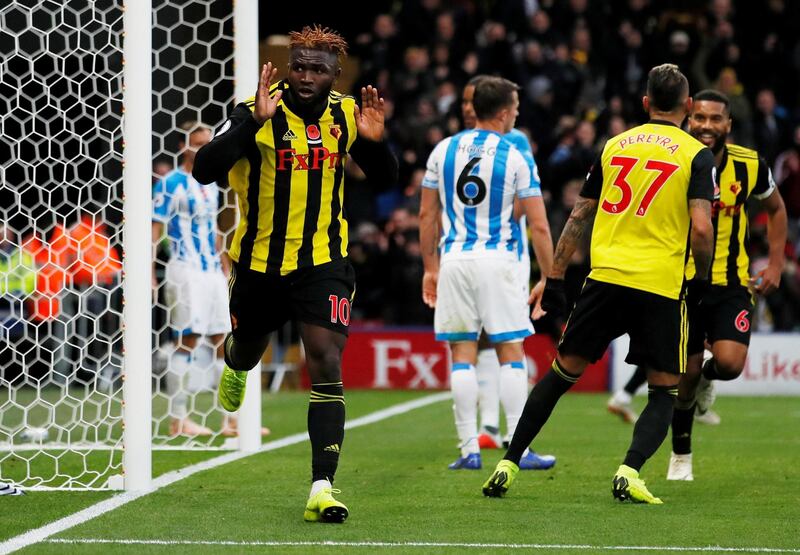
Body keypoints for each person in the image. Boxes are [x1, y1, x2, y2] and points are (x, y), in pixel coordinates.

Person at [482, 64, 715, 504]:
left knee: (560, 373)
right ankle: (629, 471)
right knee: (665, 389)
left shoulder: (615, 145)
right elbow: (701, 230)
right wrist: (700, 281)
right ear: (687, 107)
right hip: (659, 285)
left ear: (645, 104)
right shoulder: (696, 155)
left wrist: (554, 277)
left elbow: (578, 214)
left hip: (604, 279)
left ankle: (509, 461)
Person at [192, 25, 398, 523]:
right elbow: (204, 169)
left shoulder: (348, 114)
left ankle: (322, 485)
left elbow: (388, 181)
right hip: (259, 263)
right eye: (299, 66)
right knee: (247, 348)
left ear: (335, 75)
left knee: (326, 361)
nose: (306, 76)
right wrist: (248, 126)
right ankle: (236, 365)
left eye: (318, 69)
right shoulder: (256, 108)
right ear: (289, 69)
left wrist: (373, 144)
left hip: (323, 262)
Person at [419, 76, 555, 471]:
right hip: (499, 259)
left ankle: (468, 450)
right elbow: (540, 224)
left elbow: (428, 214)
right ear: (502, 111)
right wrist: (549, 276)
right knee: (510, 350)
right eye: (514, 107)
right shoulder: (515, 154)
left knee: (461, 353)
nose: (516, 113)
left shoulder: (442, 150)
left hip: (455, 260)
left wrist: (431, 268)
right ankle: (517, 446)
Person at [667, 89, 787, 481]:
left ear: (728, 125)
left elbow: (777, 208)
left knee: (731, 365)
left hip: (733, 282)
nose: (706, 126)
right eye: (699, 117)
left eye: (715, 119)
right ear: (688, 118)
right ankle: (680, 456)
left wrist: (775, 263)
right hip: (683, 281)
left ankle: (708, 380)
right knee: (683, 375)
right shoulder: (675, 160)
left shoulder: (749, 164)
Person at [460, 76, 556, 471]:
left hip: (505, 253)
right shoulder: (465, 143)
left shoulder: (514, 142)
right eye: (464, 101)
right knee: (485, 338)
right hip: (485, 254)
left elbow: (525, 200)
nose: (467, 107)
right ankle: (487, 426)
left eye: (472, 101)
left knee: (495, 338)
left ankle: (497, 432)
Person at [153, 121, 265, 437]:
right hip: (184, 269)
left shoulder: (211, 184)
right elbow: (155, 229)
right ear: (183, 146)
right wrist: (148, 272)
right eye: (196, 142)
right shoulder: (170, 183)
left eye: (207, 142)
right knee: (188, 340)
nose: (202, 147)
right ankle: (178, 419)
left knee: (223, 340)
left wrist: (223, 262)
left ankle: (229, 420)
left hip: (211, 270)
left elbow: (212, 229)